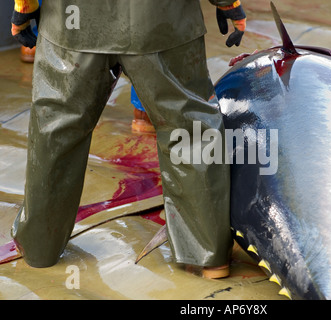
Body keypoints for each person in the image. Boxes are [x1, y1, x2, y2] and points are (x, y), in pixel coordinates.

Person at [10, 0, 246, 278]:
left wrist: (24, 8)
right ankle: (209, 256)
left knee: (56, 130)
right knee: (190, 128)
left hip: (71, 22)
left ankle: (40, 248)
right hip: (163, 21)